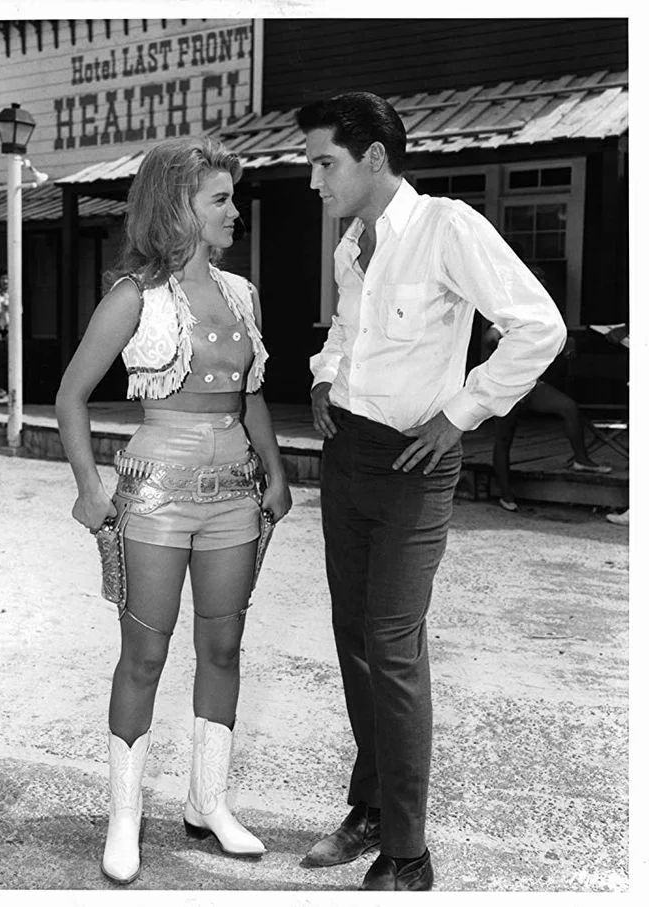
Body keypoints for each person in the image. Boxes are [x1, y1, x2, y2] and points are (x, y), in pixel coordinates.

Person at [296, 92, 566, 892]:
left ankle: (408, 853)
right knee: (353, 637)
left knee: (393, 642)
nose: (314, 180)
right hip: (348, 454)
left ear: (373, 156)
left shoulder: (448, 228)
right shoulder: (354, 245)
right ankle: (371, 806)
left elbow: (537, 325)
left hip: (417, 464)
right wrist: (321, 374)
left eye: (324, 162)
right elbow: (349, 329)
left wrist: (462, 413)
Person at [55, 136, 292, 885]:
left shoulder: (243, 293)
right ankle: (125, 816)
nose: (234, 213)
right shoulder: (133, 296)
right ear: (177, 208)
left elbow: (248, 393)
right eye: (219, 199)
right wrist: (91, 487)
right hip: (155, 490)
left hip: (235, 494)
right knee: (145, 655)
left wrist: (278, 474)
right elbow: (68, 396)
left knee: (224, 649)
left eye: (232, 198)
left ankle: (206, 802)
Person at [484, 322, 611, 513]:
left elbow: (556, 337)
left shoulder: (540, 317)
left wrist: (567, 342)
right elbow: (490, 338)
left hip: (530, 385)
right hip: (504, 384)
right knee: (504, 437)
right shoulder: (508, 317)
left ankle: (581, 460)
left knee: (568, 407)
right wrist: (510, 353)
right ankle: (505, 493)